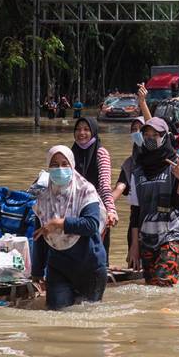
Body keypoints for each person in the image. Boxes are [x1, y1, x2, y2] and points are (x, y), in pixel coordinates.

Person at [32, 145, 107, 310]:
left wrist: (60, 223)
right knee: (56, 313)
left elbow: (91, 225)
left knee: (87, 318)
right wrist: (37, 271)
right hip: (59, 267)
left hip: (89, 265)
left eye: (64, 164)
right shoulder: (43, 198)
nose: (60, 169)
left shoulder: (85, 191)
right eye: (54, 164)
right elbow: (39, 236)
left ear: (72, 165)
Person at [129, 117, 179, 286]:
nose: (150, 138)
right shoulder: (138, 169)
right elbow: (135, 212)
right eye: (146, 134)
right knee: (151, 286)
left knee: (164, 282)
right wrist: (134, 246)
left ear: (164, 136)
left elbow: (178, 203)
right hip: (147, 236)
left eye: (155, 134)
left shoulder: (176, 164)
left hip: (172, 232)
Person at [112, 83, 152, 268]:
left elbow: (152, 126)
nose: (137, 133)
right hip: (136, 220)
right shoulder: (129, 163)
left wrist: (142, 103)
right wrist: (106, 205)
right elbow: (120, 187)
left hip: (156, 219)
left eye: (140, 129)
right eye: (133, 130)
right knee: (134, 264)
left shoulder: (154, 158)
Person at [72, 117, 118, 264]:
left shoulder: (101, 153)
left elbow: (105, 185)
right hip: (75, 212)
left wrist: (111, 210)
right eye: (78, 129)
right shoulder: (70, 153)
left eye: (86, 129)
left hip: (96, 212)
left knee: (97, 258)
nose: (81, 133)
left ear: (93, 131)